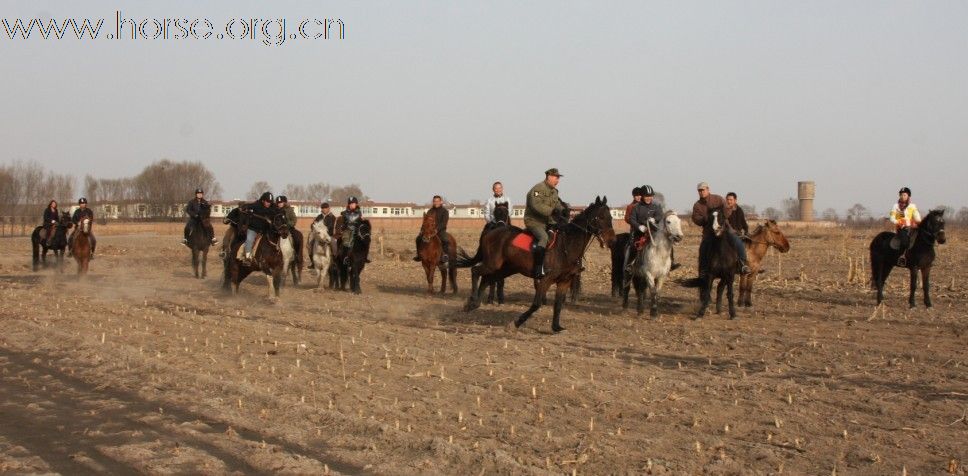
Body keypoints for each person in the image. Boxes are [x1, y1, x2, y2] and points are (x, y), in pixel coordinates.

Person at [692, 182, 749, 275]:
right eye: (699, 190)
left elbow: (727, 210)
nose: (701, 192)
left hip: (725, 229)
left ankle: (743, 265)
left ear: (708, 189)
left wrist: (720, 217)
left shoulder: (718, 199)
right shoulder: (697, 205)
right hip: (708, 232)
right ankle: (702, 270)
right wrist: (706, 218)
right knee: (702, 249)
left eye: (703, 190)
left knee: (738, 242)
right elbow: (695, 218)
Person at [624, 185, 680, 278]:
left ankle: (672, 263)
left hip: (654, 232)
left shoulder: (656, 206)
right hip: (640, 233)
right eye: (646, 196)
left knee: (668, 243)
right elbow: (632, 219)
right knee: (633, 246)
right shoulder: (636, 207)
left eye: (650, 196)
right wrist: (639, 226)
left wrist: (654, 219)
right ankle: (630, 265)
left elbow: (660, 216)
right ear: (642, 196)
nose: (648, 198)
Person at [524, 168, 565, 278]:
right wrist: (552, 211)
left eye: (558, 178)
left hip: (547, 222)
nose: (558, 181)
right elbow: (536, 205)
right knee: (543, 238)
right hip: (534, 222)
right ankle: (538, 268)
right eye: (556, 178)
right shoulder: (538, 189)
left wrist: (563, 209)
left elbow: (556, 204)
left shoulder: (554, 192)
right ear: (549, 177)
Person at [239, 192, 277, 263]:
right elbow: (248, 206)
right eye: (267, 201)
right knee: (250, 239)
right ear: (263, 200)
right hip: (254, 229)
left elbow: (277, 211)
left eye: (270, 202)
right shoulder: (257, 205)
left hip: (265, 231)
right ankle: (247, 257)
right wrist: (244, 207)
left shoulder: (273, 207)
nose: (269, 203)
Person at [414, 195, 451, 263]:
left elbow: (444, 223)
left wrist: (436, 229)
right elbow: (425, 222)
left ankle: (445, 255)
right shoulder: (430, 211)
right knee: (418, 238)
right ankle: (418, 255)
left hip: (440, 230)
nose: (436, 202)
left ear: (441, 202)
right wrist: (422, 230)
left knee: (445, 239)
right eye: (434, 201)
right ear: (433, 202)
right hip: (429, 230)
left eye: (437, 201)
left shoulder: (445, 211)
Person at [890, 186, 921, 267]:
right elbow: (892, 218)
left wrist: (918, 223)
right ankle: (901, 257)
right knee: (905, 242)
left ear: (908, 196)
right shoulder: (896, 206)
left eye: (904, 195)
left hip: (912, 227)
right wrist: (899, 223)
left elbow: (917, 217)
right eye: (901, 195)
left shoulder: (912, 206)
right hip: (901, 228)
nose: (902, 196)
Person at [336, 196, 364, 265]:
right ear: (348, 204)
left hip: (356, 231)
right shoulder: (344, 213)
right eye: (350, 203)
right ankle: (346, 258)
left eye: (353, 203)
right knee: (346, 242)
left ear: (356, 204)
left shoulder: (359, 213)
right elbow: (341, 223)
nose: (352, 205)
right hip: (347, 231)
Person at [308, 202, 337, 269]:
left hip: (329, 235)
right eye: (323, 208)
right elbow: (313, 225)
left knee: (333, 243)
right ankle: (313, 262)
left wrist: (323, 228)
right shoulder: (319, 217)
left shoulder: (332, 217)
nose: (324, 209)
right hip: (319, 236)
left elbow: (331, 227)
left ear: (328, 209)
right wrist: (313, 226)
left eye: (325, 208)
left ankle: (335, 260)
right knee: (310, 243)